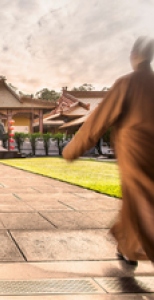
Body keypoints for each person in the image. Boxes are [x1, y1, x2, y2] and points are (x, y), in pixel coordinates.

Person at [62, 36, 154, 265]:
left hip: (135, 152)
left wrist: (72, 149)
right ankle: (126, 247)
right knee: (136, 201)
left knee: (142, 203)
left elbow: (98, 120)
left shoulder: (127, 83)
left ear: (134, 56)